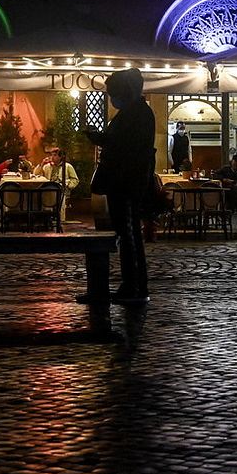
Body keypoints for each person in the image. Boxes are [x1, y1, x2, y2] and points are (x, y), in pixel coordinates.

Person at [85, 67, 155, 304]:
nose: (111, 99)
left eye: (112, 94)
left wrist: (101, 139)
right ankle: (132, 284)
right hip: (125, 183)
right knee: (127, 233)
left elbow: (126, 148)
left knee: (129, 234)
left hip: (126, 183)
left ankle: (134, 286)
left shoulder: (136, 114)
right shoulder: (135, 113)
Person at [41, 148, 80, 222]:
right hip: (48, 190)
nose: (52, 157)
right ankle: (46, 219)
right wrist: (42, 164)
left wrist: (68, 185)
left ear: (60, 157)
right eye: (51, 155)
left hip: (61, 190)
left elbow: (75, 180)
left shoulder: (67, 166)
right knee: (44, 199)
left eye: (55, 155)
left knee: (61, 199)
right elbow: (36, 174)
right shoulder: (47, 167)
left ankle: (60, 220)